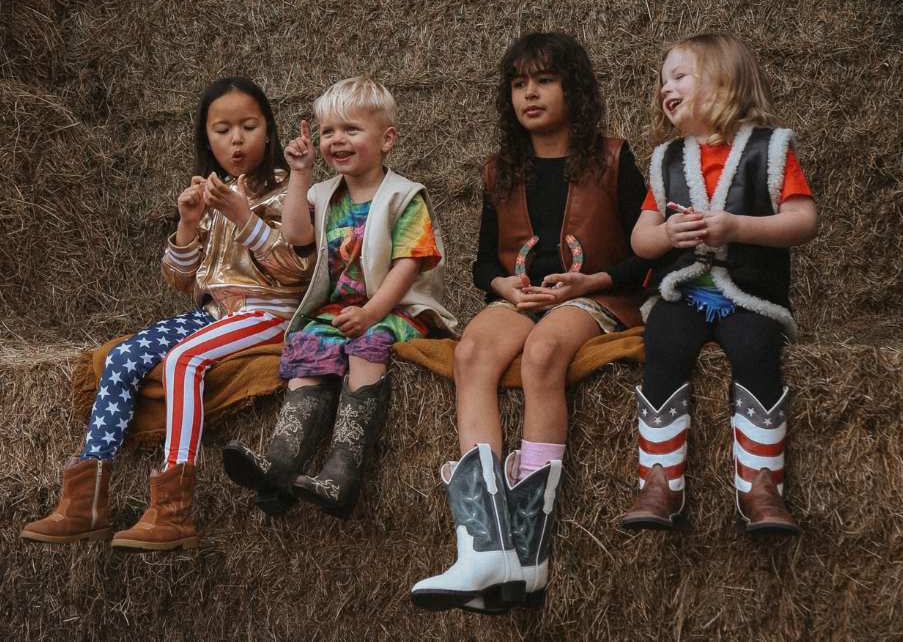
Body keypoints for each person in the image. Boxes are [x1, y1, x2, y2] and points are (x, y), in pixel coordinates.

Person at [20, 76, 315, 550]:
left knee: (183, 362)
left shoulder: (287, 191)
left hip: (269, 312)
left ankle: (173, 511)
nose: (236, 139)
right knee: (118, 359)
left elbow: (297, 269)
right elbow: (181, 280)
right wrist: (188, 223)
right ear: (207, 139)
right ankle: (86, 502)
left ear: (269, 131)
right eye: (222, 130)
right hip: (216, 312)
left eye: (248, 126)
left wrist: (243, 216)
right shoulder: (216, 193)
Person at [411, 32, 650, 613]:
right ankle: (483, 547)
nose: (530, 94)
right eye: (518, 85)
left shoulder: (614, 159)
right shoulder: (501, 170)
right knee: (470, 352)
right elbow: (482, 262)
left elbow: (648, 250)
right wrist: (502, 285)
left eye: (544, 80)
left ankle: (531, 550)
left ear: (576, 89)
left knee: (544, 353)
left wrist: (591, 282)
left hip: (601, 295)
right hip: (525, 297)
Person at [222, 76, 456, 520]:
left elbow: (408, 267)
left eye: (351, 129)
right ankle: (280, 461)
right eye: (328, 132)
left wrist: (371, 313)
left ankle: (342, 472)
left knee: (367, 348)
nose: (337, 140)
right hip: (340, 310)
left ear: (386, 139)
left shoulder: (404, 197)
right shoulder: (324, 192)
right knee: (311, 345)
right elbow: (294, 235)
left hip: (399, 309)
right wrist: (301, 173)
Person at [619, 33, 818, 536]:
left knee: (756, 349)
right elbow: (640, 239)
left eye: (680, 76)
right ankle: (659, 481)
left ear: (725, 82)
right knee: (663, 342)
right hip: (684, 292)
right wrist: (665, 234)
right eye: (663, 80)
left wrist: (737, 227)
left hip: (749, 294)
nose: (666, 87)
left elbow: (803, 220)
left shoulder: (769, 151)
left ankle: (761, 487)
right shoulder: (666, 160)